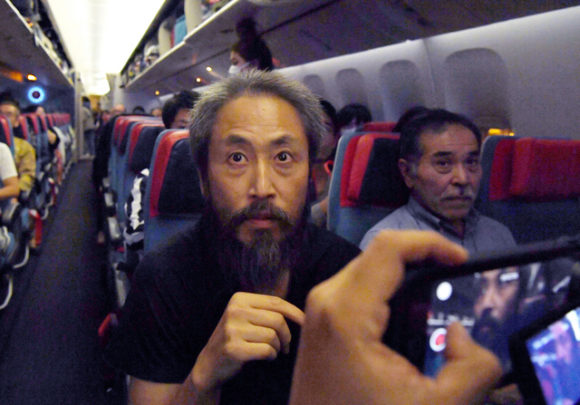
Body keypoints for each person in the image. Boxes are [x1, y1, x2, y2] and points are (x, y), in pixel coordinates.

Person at [106, 70, 361, 404]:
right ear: (203, 179)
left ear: (309, 174)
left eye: (283, 157)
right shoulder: (164, 277)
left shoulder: (348, 273)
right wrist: (205, 374)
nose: (262, 188)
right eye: (236, 158)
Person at [290, 230, 503, 405]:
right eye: (480, 287)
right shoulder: (368, 258)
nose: (488, 302)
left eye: (504, 282)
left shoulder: (499, 233)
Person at [360, 108, 516, 251]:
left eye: (471, 162)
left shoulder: (499, 234)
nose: (462, 179)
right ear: (407, 173)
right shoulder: (384, 246)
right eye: (443, 164)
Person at [123, 90, 200, 262]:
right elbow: (133, 237)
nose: (190, 136)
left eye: (197, 128)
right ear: (167, 131)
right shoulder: (147, 179)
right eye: (182, 127)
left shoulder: (219, 181)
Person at [0, 94, 36, 194]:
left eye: (8, 115)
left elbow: (27, 175)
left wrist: (15, 192)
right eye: (0, 114)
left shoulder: (24, 147)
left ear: (16, 122)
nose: (3, 119)